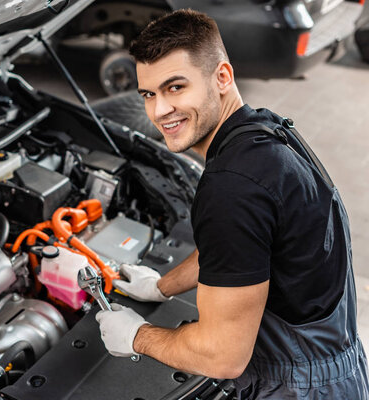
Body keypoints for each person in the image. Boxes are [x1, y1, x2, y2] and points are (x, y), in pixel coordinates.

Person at [95, 9, 369, 399]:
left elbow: (223, 357)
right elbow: (240, 249)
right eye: (148, 94)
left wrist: (138, 336)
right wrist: (160, 286)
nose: (159, 111)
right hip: (340, 367)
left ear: (222, 77)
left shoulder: (231, 188)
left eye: (176, 87)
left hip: (298, 389)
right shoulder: (267, 132)